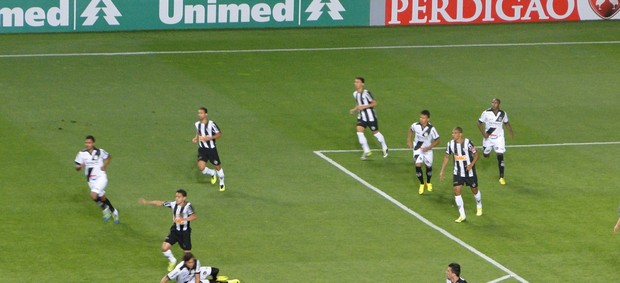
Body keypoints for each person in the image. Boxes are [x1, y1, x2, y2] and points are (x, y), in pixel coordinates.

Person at [140, 189, 197, 271]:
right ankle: (172, 260)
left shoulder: (188, 206)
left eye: (179, 197)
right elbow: (159, 203)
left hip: (185, 233)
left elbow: (194, 216)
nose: (177, 198)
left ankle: (192, 270)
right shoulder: (173, 204)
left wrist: (184, 219)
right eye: (176, 196)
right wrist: (147, 202)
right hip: (175, 231)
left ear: (184, 198)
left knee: (187, 255)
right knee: (164, 248)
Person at [439, 127, 483, 223]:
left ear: (460, 134)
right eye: (452, 133)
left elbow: (477, 154)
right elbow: (447, 157)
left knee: (474, 190)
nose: (453, 135)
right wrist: (442, 171)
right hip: (458, 172)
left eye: (455, 133)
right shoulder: (450, 144)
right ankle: (462, 215)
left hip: (469, 172)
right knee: (456, 191)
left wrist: (471, 165)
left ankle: (479, 205)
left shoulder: (468, 143)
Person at [74, 135, 119, 224]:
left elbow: (109, 157)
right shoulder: (81, 154)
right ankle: (114, 211)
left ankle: (105, 209)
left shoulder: (100, 152)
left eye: (89, 143)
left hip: (101, 177)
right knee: (102, 197)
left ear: (93, 143)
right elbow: (77, 168)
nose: (87, 144)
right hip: (90, 180)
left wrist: (105, 165)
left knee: (93, 195)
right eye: (86, 142)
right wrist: (80, 166)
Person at [349, 77, 389, 160]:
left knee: (375, 133)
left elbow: (374, 103)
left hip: (371, 117)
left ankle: (384, 147)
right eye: (355, 82)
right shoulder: (355, 94)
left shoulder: (366, 93)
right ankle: (367, 151)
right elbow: (359, 104)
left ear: (362, 84)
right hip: (362, 117)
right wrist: (354, 110)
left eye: (357, 82)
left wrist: (364, 107)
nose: (355, 83)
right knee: (359, 131)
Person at [477, 98, 515, 185]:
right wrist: (484, 134)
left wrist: (511, 132)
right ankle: (487, 152)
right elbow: (479, 123)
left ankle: (501, 177)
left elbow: (506, 123)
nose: (493, 104)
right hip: (488, 138)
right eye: (492, 102)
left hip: (499, 138)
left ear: (499, 104)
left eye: (495, 103)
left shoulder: (502, 113)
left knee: (500, 155)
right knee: (486, 155)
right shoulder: (486, 113)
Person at [407, 110, 440, 195]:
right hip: (417, 148)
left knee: (428, 166)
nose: (421, 119)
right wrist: (409, 140)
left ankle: (428, 182)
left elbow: (437, 140)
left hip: (427, 150)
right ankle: (422, 183)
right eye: (421, 117)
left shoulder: (431, 128)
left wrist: (429, 147)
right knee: (418, 164)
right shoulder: (416, 125)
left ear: (428, 119)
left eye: (423, 118)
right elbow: (411, 129)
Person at [192, 107, 225, 191]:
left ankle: (222, 182)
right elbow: (198, 132)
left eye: (201, 113)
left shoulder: (211, 124)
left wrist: (209, 138)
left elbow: (219, 134)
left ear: (206, 114)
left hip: (211, 150)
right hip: (202, 149)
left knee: (218, 167)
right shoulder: (197, 124)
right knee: (201, 168)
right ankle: (212, 173)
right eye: (199, 113)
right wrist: (196, 138)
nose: (199, 115)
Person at [161, 252, 240, 283]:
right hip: (185, 282)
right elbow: (166, 278)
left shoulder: (196, 262)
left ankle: (215, 279)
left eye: (192, 261)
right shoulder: (179, 269)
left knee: (215, 270)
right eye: (189, 263)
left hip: (193, 276)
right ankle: (228, 282)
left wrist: (198, 282)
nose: (191, 264)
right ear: (185, 262)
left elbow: (197, 275)